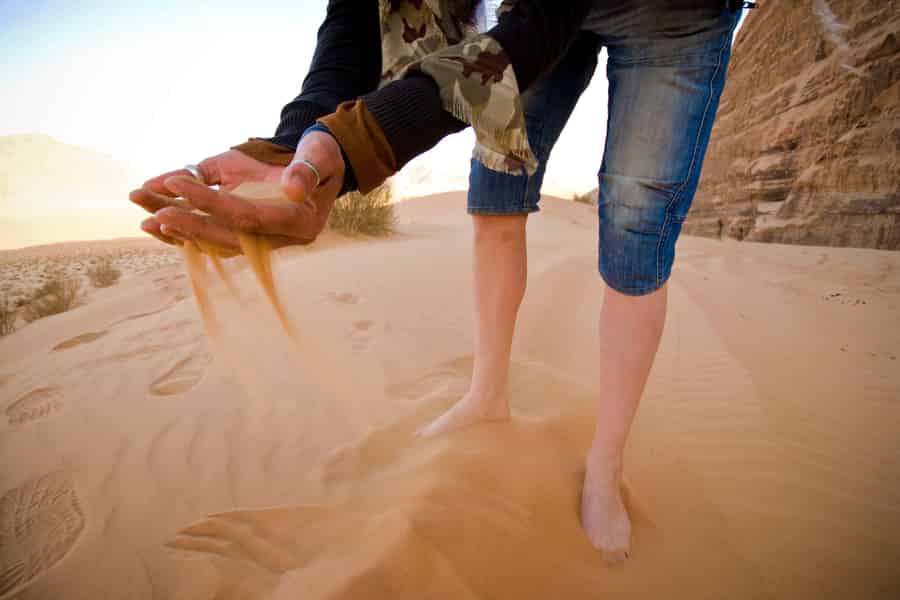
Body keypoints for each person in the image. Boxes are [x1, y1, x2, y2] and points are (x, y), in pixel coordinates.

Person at [131, 0, 747, 564]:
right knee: (496, 196)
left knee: (637, 223)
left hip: (675, 16)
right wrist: (293, 145)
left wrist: (360, 142)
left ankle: (605, 464)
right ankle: (487, 395)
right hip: (536, 13)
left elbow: (538, 28)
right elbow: (356, 22)